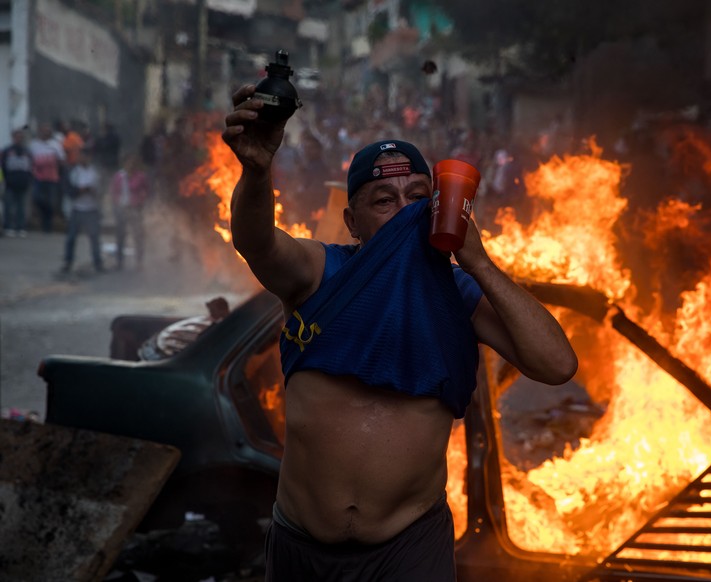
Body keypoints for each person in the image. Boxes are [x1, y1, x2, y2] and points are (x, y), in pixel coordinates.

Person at [223, 84, 578, 581]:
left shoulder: (460, 294)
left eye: (419, 198)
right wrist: (257, 172)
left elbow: (557, 365)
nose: (407, 211)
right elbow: (255, 242)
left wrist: (478, 261)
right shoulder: (320, 273)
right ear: (352, 222)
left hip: (408, 550)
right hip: (301, 548)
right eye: (384, 200)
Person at [62, 148, 104, 274]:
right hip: (77, 208)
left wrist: (94, 192)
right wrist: (81, 191)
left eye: (85, 157)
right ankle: (68, 262)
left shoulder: (94, 172)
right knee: (71, 238)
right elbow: (69, 190)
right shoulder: (74, 172)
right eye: (81, 156)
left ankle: (98, 263)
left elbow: (101, 190)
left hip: (91, 209)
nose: (83, 159)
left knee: (94, 237)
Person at [109, 153, 150, 270]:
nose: (130, 165)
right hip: (122, 208)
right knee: (120, 235)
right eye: (128, 162)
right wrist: (116, 204)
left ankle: (139, 261)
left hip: (135, 208)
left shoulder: (141, 176)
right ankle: (119, 261)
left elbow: (146, 189)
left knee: (138, 235)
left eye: (132, 162)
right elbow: (113, 191)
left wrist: (141, 199)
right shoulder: (119, 176)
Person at [29, 122, 66, 232]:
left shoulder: (55, 145)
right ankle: (43, 217)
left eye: (47, 132)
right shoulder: (33, 145)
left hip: (52, 178)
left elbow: (62, 160)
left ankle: (47, 225)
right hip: (38, 178)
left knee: (50, 202)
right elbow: (30, 160)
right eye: (43, 132)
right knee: (37, 198)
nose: (45, 134)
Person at [1, 128, 34, 237]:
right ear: (13, 137)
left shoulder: (27, 152)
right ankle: (8, 227)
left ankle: (21, 227)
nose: (18, 139)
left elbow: (31, 168)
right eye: (16, 136)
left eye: (20, 137)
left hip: (23, 183)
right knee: (9, 206)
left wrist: (29, 180)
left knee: (21, 207)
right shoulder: (7, 151)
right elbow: (3, 167)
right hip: (10, 183)